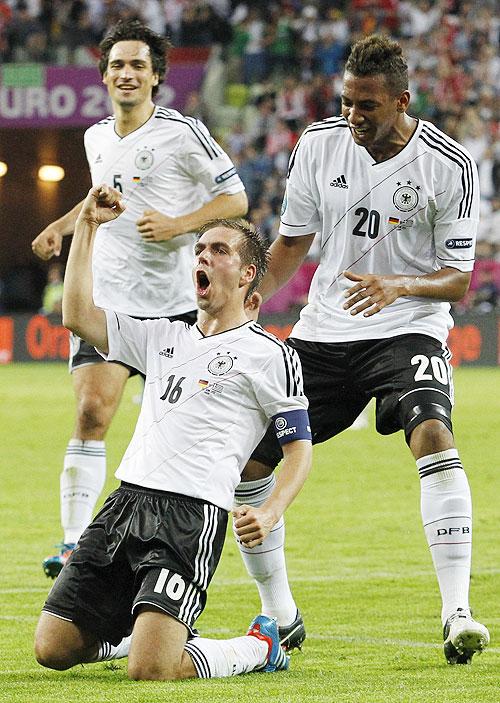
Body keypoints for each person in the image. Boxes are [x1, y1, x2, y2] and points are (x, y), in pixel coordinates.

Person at [235, 34, 490, 665]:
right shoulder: (319, 145)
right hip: (324, 330)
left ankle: (457, 611)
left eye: (368, 106)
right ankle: (281, 613)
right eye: (348, 102)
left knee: (432, 432)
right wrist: (248, 303)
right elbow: (293, 242)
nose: (354, 116)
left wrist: (399, 284)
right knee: (248, 463)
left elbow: (459, 279)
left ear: (402, 100)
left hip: (410, 324)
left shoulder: (449, 165)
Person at [34, 184, 312, 681]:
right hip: (125, 505)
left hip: (190, 517)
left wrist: (271, 511)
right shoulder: (162, 335)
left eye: (218, 250)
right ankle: (146, 634)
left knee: (152, 671)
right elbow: (77, 315)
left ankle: (259, 646)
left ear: (249, 274)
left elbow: (298, 452)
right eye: (200, 249)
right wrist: (89, 226)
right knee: (52, 649)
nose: (202, 256)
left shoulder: (269, 354)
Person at [31, 19, 248, 579]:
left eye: (138, 66)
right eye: (118, 65)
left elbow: (236, 197)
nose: (127, 74)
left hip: (176, 306)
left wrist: (181, 224)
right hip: (109, 299)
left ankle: (187, 539)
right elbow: (102, 194)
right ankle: (74, 543)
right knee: (91, 411)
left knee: (180, 428)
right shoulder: (96, 137)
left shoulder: (184, 133)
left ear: (156, 78)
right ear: (104, 75)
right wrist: (63, 225)